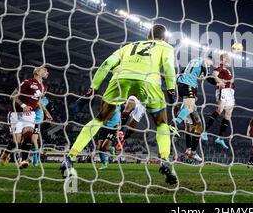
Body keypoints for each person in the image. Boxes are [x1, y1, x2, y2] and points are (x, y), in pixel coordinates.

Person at [61, 24, 178, 185]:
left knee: (100, 119)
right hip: (148, 81)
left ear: (147, 36)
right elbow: (169, 67)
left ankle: (70, 157)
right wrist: (171, 89)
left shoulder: (129, 46)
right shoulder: (166, 47)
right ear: (164, 37)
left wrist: (93, 88)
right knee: (162, 123)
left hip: (119, 79)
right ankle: (165, 159)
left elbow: (107, 64)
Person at [0, 67, 50, 169]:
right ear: (37, 72)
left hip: (30, 114)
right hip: (16, 113)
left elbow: (37, 101)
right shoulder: (27, 82)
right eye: (44, 70)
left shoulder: (43, 87)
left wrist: (46, 112)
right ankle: (6, 153)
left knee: (28, 135)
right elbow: (12, 96)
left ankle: (23, 160)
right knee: (17, 141)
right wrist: (24, 106)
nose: (47, 72)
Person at [174, 55, 214, 161]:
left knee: (191, 126)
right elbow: (209, 77)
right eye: (210, 64)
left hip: (183, 86)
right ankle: (175, 123)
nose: (210, 65)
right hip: (188, 87)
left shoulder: (192, 61)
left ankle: (189, 150)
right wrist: (219, 82)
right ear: (208, 60)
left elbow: (184, 72)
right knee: (197, 124)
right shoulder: (205, 62)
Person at [201, 53, 235, 149]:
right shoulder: (220, 67)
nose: (228, 60)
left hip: (230, 92)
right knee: (219, 110)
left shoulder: (227, 70)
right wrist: (220, 81)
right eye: (226, 58)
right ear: (222, 60)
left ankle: (220, 138)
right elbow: (214, 75)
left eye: (228, 58)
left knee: (228, 115)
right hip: (223, 90)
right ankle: (205, 131)